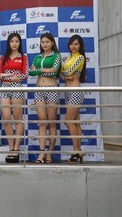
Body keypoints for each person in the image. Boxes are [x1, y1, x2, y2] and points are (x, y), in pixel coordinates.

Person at [29, 32, 62, 164]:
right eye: (42, 42)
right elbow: (31, 72)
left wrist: (40, 70)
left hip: (52, 89)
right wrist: (43, 70)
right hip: (39, 90)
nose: (45, 44)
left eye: (47, 42)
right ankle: (42, 152)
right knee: (42, 122)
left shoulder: (56, 56)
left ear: (52, 43)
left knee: (52, 122)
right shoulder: (37, 57)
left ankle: (50, 152)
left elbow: (54, 71)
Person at [0, 33, 28, 162]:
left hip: (17, 88)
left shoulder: (23, 57)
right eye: (12, 41)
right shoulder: (3, 57)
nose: (14, 44)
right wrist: (10, 76)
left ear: (20, 43)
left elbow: (25, 74)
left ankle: (16, 148)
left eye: (16, 41)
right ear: (8, 43)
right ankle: (10, 147)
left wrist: (9, 76)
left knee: (18, 118)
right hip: (4, 88)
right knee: (6, 118)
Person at [60, 35, 87, 163]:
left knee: (68, 121)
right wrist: (64, 76)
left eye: (76, 44)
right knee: (75, 123)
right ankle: (78, 151)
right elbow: (61, 74)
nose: (73, 46)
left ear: (80, 45)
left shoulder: (80, 57)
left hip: (75, 91)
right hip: (67, 92)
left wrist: (64, 75)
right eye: (71, 44)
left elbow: (68, 71)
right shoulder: (68, 58)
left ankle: (76, 151)